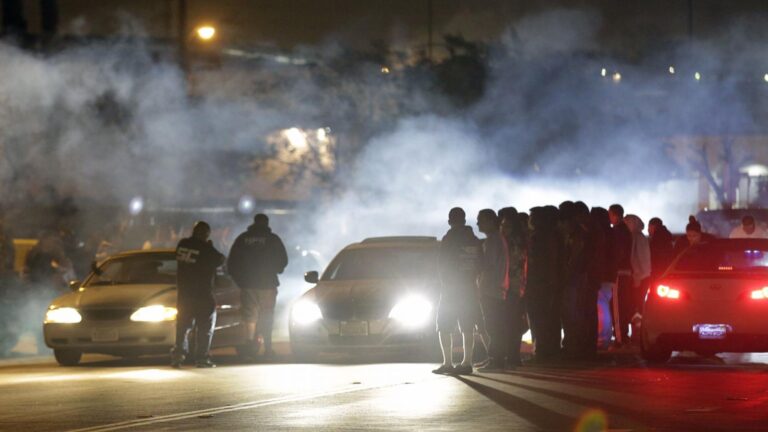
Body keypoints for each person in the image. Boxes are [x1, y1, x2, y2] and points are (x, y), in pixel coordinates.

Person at [227, 213, 288, 359]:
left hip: (248, 285)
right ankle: (268, 348)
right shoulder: (273, 239)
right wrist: (276, 269)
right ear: (267, 223)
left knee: (249, 316)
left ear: (254, 223)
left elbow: (232, 262)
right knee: (267, 314)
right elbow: (283, 260)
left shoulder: (242, 239)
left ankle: (249, 345)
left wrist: (240, 281)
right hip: (268, 284)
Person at [433, 207, 481, 375]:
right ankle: (467, 362)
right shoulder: (474, 240)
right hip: (469, 288)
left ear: (449, 221)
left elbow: (442, 265)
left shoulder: (449, 239)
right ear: (465, 220)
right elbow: (480, 264)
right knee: (468, 325)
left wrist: (445, 283)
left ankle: (447, 363)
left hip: (451, 290)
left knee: (444, 325)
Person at [171, 221, 225, 368]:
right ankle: (202, 358)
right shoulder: (206, 248)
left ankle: (178, 356)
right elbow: (220, 259)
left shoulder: (183, 244)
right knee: (205, 327)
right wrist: (210, 246)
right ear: (206, 234)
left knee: (183, 326)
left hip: (184, 294)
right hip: (203, 294)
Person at [525, 206, 562, 361]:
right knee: (549, 318)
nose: (529, 220)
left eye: (531, 217)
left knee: (537, 318)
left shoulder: (537, 238)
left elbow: (535, 262)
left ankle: (540, 350)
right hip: (549, 283)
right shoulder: (554, 236)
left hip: (538, 283)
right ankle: (551, 349)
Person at [475, 209, 510, 370]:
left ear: (490, 221)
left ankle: (496, 360)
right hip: (498, 287)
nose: (477, 223)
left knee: (493, 326)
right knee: (495, 326)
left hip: (491, 288)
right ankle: (495, 358)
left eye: (480, 220)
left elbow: (488, 266)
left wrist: (480, 283)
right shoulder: (498, 239)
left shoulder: (493, 241)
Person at [591, 207, 615, 350]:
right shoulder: (611, 233)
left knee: (601, 307)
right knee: (604, 306)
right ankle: (605, 337)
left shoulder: (600, 234)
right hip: (608, 276)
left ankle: (601, 338)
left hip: (602, 276)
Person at [608, 204, 633, 346]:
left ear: (615, 215)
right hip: (626, 272)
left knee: (617, 307)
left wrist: (612, 265)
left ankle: (620, 337)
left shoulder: (617, 231)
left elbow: (618, 252)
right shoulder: (625, 230)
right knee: (623, 305)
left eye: (610, 214)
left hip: (619, 272)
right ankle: (623, 334)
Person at [624, 214, 651, 343]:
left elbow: (641, 259)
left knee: (637, 307)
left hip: (639, 278)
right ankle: (637, 334)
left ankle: (637, 335)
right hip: (640, 277)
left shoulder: (638, 238)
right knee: (636, 306)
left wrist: (637, 277)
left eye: (627, 222)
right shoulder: (638, 237)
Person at [648, 217, 674, 283]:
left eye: (649, 226)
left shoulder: (656, 239)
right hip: (666, 269)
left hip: (657, 270)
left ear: (653, 226)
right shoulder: (666, 236)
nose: (648, 229)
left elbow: (653, 256)